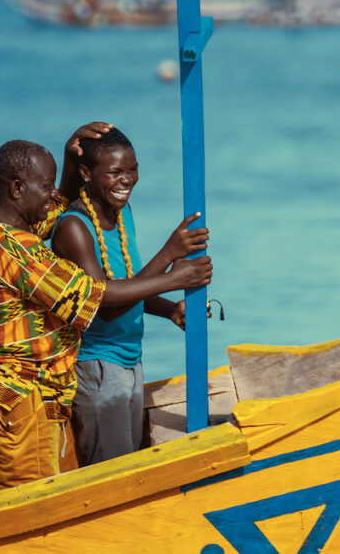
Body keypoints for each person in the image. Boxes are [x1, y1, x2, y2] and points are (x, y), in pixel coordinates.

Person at [0, 124, 213, 492]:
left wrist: (67, 160)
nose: (53, 196)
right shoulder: (14, 250)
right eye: (45, 187)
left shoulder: (6, 222)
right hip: (13, 389)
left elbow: (53, 210)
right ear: (16, 189)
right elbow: (93, 296)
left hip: (42, 387)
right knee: (27, 500)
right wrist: (175, 272)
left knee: (64, 492)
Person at [51, 127, 208, 466]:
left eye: (133, 169)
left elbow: (130, 287)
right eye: (115, 173)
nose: (127, 180)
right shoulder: (74, 228)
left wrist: (169, 310)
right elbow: (102, 305)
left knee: (129, 461)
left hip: (130, 360)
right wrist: (169, 260)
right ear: (86, 174)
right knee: (113, 471)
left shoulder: (122, 214)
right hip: (97, 368)